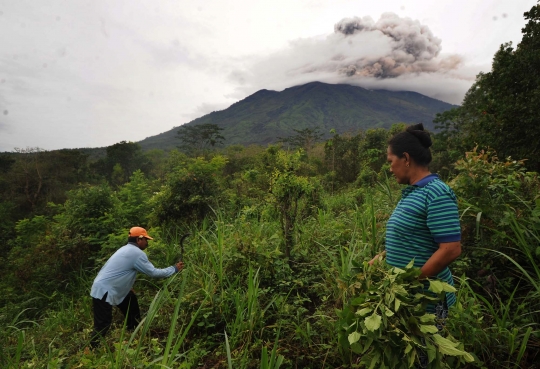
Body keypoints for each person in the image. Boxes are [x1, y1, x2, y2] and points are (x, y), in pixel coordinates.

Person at [370, 123, 462, 366]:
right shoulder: (413, 193)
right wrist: (382, 256)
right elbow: (411, 238)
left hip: (427, 302)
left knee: (424, 360)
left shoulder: (436, 193)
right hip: (408, 298)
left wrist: (413, 280)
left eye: (391, 161)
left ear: (406, 159)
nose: (390, 168)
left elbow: (451, 248)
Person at [89, 226, 184, 348]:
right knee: (103, 324)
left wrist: (126, 287)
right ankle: (92, 348)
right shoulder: (136, 253)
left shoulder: (125, 249)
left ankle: (133, 331)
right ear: (139, 239)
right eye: (146, 239)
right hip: (104, 291)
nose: (147, 242)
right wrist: (174, 269)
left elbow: (117, 271)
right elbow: (153, 273)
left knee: (130, 299)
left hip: (105, 286)